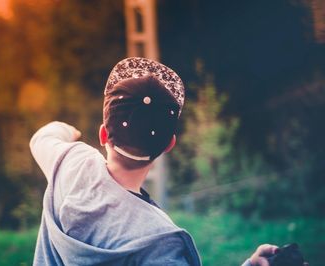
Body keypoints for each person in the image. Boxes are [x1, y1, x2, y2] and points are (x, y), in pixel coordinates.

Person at [30, 57, 278, 266]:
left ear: (103, 134)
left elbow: (43, 137)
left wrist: (69, 132)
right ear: (169, 144)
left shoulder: (72, 162)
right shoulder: (160, 238)